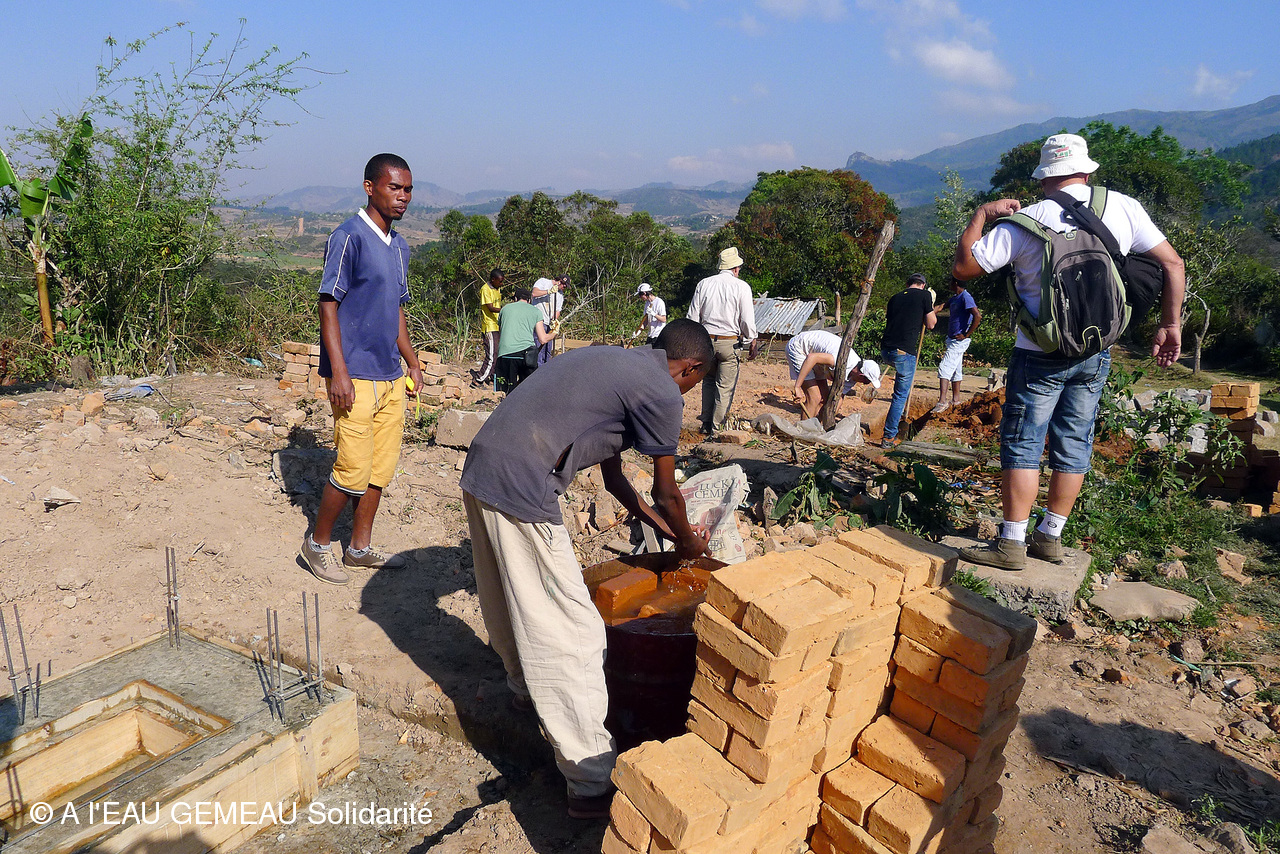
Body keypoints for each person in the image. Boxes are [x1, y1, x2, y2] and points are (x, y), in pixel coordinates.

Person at [458, 318, 714, 819]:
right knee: (575, 633)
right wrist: (688, 542)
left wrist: (662, 529)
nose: (688, 391)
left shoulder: (614, 364)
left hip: (484, 464)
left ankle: (523, 693)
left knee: (507, 591)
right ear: (691, 368)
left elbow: (616, 481)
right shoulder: (663, 392)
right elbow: (667, 491)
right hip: (525, 482)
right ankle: (590, 779)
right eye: (694, 382)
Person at [953, 133, 1184, 570]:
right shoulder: (1124, 207)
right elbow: (1173, 263)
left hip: (1038, 353)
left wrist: (982, 214)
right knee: (1075, 441)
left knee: (1023, 443)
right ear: (1086, 171)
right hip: (1095, 352)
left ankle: (1011, 544)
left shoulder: (1024, 222)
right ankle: (1050, 537)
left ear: (1044, 178)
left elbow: (964, 268)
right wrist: (1170, 325)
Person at [299, 153, 423, 585]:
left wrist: (412, 361)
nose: (403, 196)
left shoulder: (400, 247)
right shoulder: (348, 237)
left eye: (408, 189)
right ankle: (317, 545)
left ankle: (359, 549)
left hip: (390, 376)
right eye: (394, 187)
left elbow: (397, 311)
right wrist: (338, 372)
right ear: (370, 187)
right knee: (352, 467)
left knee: (379, 470)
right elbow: (328, 305)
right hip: (356, 376)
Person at [687, 247, 756, 434]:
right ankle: (717, 429)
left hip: (706, 341)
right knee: (724, 387)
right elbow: (746, 320)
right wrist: (752, 339)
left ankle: (706, 423)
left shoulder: (704, 284)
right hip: (729, 341)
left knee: (708, 382)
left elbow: (692, 316)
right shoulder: (741, 287)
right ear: (735, 268)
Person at [879, 273, 938, 447]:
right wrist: (930, 307)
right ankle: (888, 437)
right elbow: (931, 324)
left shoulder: (894, 297)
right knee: (899, 396)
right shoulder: (925, 295)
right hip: (904, 352)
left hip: (886, 350)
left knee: (898, 392)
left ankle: (891, 431)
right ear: (923, 285)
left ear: (908, 284)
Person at [785, 328, 882, 419]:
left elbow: (839, 397)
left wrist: (830, 416)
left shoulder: (853, 377)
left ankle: (816, 426)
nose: (864, 384)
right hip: (799, 348)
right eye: (866, 382)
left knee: (825, 398)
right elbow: (812, 357)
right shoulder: (840, 360)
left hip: (818, 356)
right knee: (814, 397)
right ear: (861, 376)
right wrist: (797, 387)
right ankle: (804, 429)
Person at [933, 278, 982, 413]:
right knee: (956, 370)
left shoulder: (966, 297)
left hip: (959, 341)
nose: (948, 284)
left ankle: (942, 401)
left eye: (950, 282)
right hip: (952, 340)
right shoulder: (955, 298)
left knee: (944, 368)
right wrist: (929, 312)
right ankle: (956, 400)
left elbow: (977, 315)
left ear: (955, 283)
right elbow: (941, 307)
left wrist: (966, 334)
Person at [495, 287, 555, 392]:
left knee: (504, 391)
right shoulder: (536, 311)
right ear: (529, 300)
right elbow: (543, 339)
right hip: (526, 356)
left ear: (515, 299)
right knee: (529, 391)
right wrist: (554, 332)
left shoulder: (504, 309)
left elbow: (501, 331)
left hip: (505, 354)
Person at [474, 268, 505, 388]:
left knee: (497, 353)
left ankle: (492, 376)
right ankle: (479, 378)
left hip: (496, 324)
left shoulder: (497, 289)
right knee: (491, 354)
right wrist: (505, 310)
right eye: (500, 281)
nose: (501, 284)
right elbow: (490, 308)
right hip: (489, 325)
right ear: (493, 279)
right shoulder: (485, 289)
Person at [531, 274, 568, 365]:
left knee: (548, 350)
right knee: (539, 348)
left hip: (549, 323)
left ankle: (546, 368)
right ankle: (538, 369)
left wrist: (554, 319)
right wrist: (549, 291)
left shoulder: (560, 294)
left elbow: (557, 310)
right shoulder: (543, 282)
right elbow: (534, 293)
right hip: (538, 321)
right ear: (559, 282)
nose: (564, 288)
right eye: (564, 285)